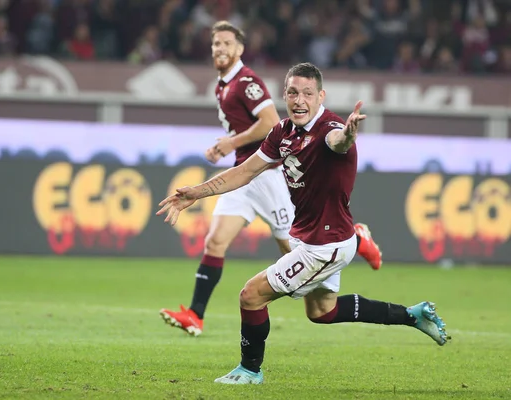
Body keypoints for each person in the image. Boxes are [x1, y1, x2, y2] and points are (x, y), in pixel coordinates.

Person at [157, 62, 450, 384]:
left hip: (325, 247)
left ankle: (249, 370)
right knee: (322, 312)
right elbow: (244, 171)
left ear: (320, 96)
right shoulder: (283, 131)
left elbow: (339, 141)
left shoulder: (329, 129)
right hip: (314, 239)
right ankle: (412, 314)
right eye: (293, 92)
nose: (299, 100)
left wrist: (350, 133)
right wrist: (196, 194)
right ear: (285, 95)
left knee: (251, 295)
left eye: (307, 93)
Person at [159, 21, 382, 338]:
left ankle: (356, 238)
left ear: (239, 49)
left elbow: (269, 122)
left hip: (267, 175)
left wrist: (230, 143)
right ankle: (195, 314)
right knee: (215, 241)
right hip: (243, 172)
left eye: (226, 43)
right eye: (215, 44)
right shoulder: (222, 86)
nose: (219, 49)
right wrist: (200, 188)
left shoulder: (246, 82)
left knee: (293, 251)